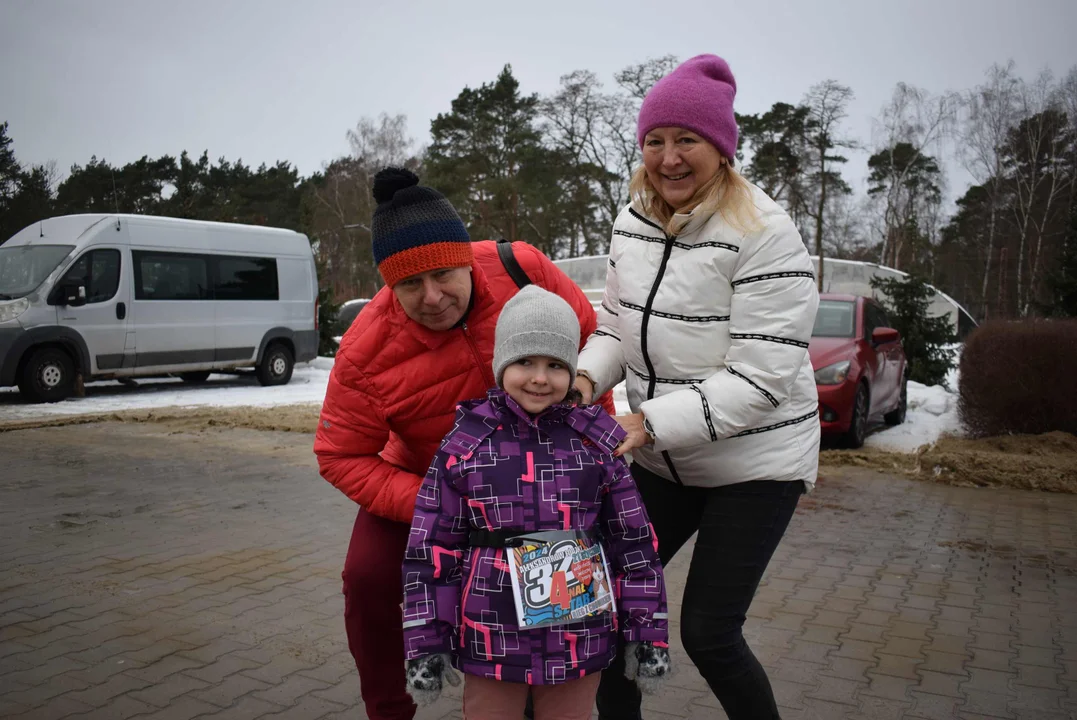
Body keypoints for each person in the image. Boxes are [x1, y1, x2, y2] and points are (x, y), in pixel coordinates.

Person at [314, 167, 615, 720]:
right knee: (367, 577)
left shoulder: (521, 267)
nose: (432, 297)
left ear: (467, 258)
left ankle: (560, 688)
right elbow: (338, 454)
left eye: (445, 274)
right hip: (429, 481)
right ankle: (388, 708)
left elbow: (593, 346)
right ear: (387, 284)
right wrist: (435, 503)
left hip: (544, 471)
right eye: (409, 285)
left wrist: (590, 461)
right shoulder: (363, 349)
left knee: (586, 573)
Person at [572, 54, 821, 720]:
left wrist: (646, 423)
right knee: (610, 610)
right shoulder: (631, 221)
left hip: (755, 462)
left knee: (707, 634)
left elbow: (760, 379)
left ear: (720, 147)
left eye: (686, 140)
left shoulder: (763, 234)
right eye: (655, 140)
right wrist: (581, 380)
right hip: (662, 457)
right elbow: (616, 326)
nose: (669, 157)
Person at [399, 285, 670, 720]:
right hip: (491, 629)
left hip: (578, 630)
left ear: (573, 372)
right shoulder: (468, 443)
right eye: (525, 361)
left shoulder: (596, 443)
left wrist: (647, 631)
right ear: (501, 364)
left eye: (555, 365)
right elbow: (431, 548)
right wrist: (427, 638)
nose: (540, 377)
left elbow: (634, 544)